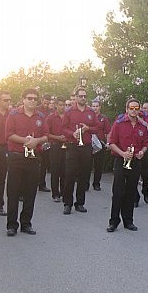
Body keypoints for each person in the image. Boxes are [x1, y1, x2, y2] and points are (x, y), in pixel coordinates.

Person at [4, 89, 49, 236]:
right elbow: (9, 134)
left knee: (31, 192)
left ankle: (26, 223)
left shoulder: (41, 116)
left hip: (33, 157)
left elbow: (46, 136)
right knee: (14, 191)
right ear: (23, 99)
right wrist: (26, 141)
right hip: (16, 156)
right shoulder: (13, 114)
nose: (32, 101)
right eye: (29, 98)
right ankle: (12, 225)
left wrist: (37, 141)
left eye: (35, 99)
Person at [106, 98, 148, 232]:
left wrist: (142, 152)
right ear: (127, 109)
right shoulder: (119, 124)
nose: (134, 110)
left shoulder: (142, 126)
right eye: (131, 108)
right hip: (121, 160)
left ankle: (128, 221)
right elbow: (111, 143)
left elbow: (146, 144)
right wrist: (123, 153)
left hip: (135, 162)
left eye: (136, 108)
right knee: (118, 192)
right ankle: (113, 222)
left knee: (131, 192)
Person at [61, 87, 97, 215]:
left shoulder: (91, 112)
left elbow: (97, 128)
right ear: (75, 97)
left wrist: (89, 128)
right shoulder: (69, 111)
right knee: (70, 175)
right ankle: (67, 203)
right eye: (80, 96)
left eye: (84, 96)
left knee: (84, 175)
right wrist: (72, 133)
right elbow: (63, 128)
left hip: (86, 146)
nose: (83, 98)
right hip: (72, 145)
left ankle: (80, 203)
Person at [45, 96, 67, 202]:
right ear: (56, 105)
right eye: (60, 105)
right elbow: (46, 134)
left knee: (65, 170)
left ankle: (64, 192)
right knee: (55, 170)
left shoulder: (68, 117)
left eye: (64, 105)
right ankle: (55, 194)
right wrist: (57, 137)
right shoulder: (50, 118)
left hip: (67, 145)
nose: (62, 107)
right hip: (55, 146)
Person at [90, 99, 111, 191]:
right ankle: (85, 183)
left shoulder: (104, 118)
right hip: (89, 143)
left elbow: (108, 131)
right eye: (93, 106)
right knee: (87, 164)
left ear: (100, 107)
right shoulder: (88, 117)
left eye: (96, 106)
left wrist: (108, 143)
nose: (95, 108)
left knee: (98, 165)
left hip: (100, 144)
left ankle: (96, 184)